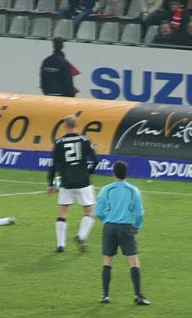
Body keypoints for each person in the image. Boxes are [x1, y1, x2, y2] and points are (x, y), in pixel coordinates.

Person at [95, 162, 149, 305]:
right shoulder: (133, 190)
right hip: (126, 228)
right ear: (126, 173)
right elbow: (139, 213)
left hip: (110, 227)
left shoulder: (106, 190)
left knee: (107, 261)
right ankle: (138, 296)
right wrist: (137, 226)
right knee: (133, 262)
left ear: (113, 173)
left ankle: (105, 295)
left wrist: (107, 220)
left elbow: (98, 211)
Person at [47, 115, 97, 253]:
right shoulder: (84, 140)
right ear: (76, 125)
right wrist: (89, 172)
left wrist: (50, 183)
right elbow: (95, 160)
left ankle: (60, 244)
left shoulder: (58, 142)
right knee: (90, 212)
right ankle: (81, 236)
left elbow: (53, 165)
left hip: (66, 182)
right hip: (83, 181)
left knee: (62, 212)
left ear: (64, 126)